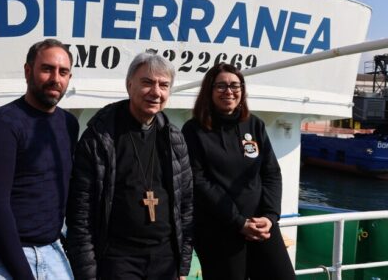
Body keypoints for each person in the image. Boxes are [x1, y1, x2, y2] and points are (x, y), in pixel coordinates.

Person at [66, 51, 193, 280]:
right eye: (147, 83)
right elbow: (81, 214)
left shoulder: (174, 138)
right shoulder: (99, 137)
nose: (156, 92)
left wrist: (183, 266)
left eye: (164, 85)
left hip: (165, 259)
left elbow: (186, 205)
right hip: (117, 259)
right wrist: (87, 273)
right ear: (129, 85)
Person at [0, 39, 79, 280]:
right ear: (28, 71)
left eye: (63, 72)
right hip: (0, 254)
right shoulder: (4, 124)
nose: (56, 78)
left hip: (51, 250)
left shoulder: (68, 124)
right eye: (47, 69)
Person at [181, 63, 295, 280]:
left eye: (235, 85)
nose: (229, 91)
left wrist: (270, 217)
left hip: (261, 226)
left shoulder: (255, 125)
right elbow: (199, 181)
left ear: (242, 91)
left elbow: (271, 172)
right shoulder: (194, 130)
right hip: (219, 230)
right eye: (221, 86)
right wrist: (238, 222)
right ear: (209, 90)